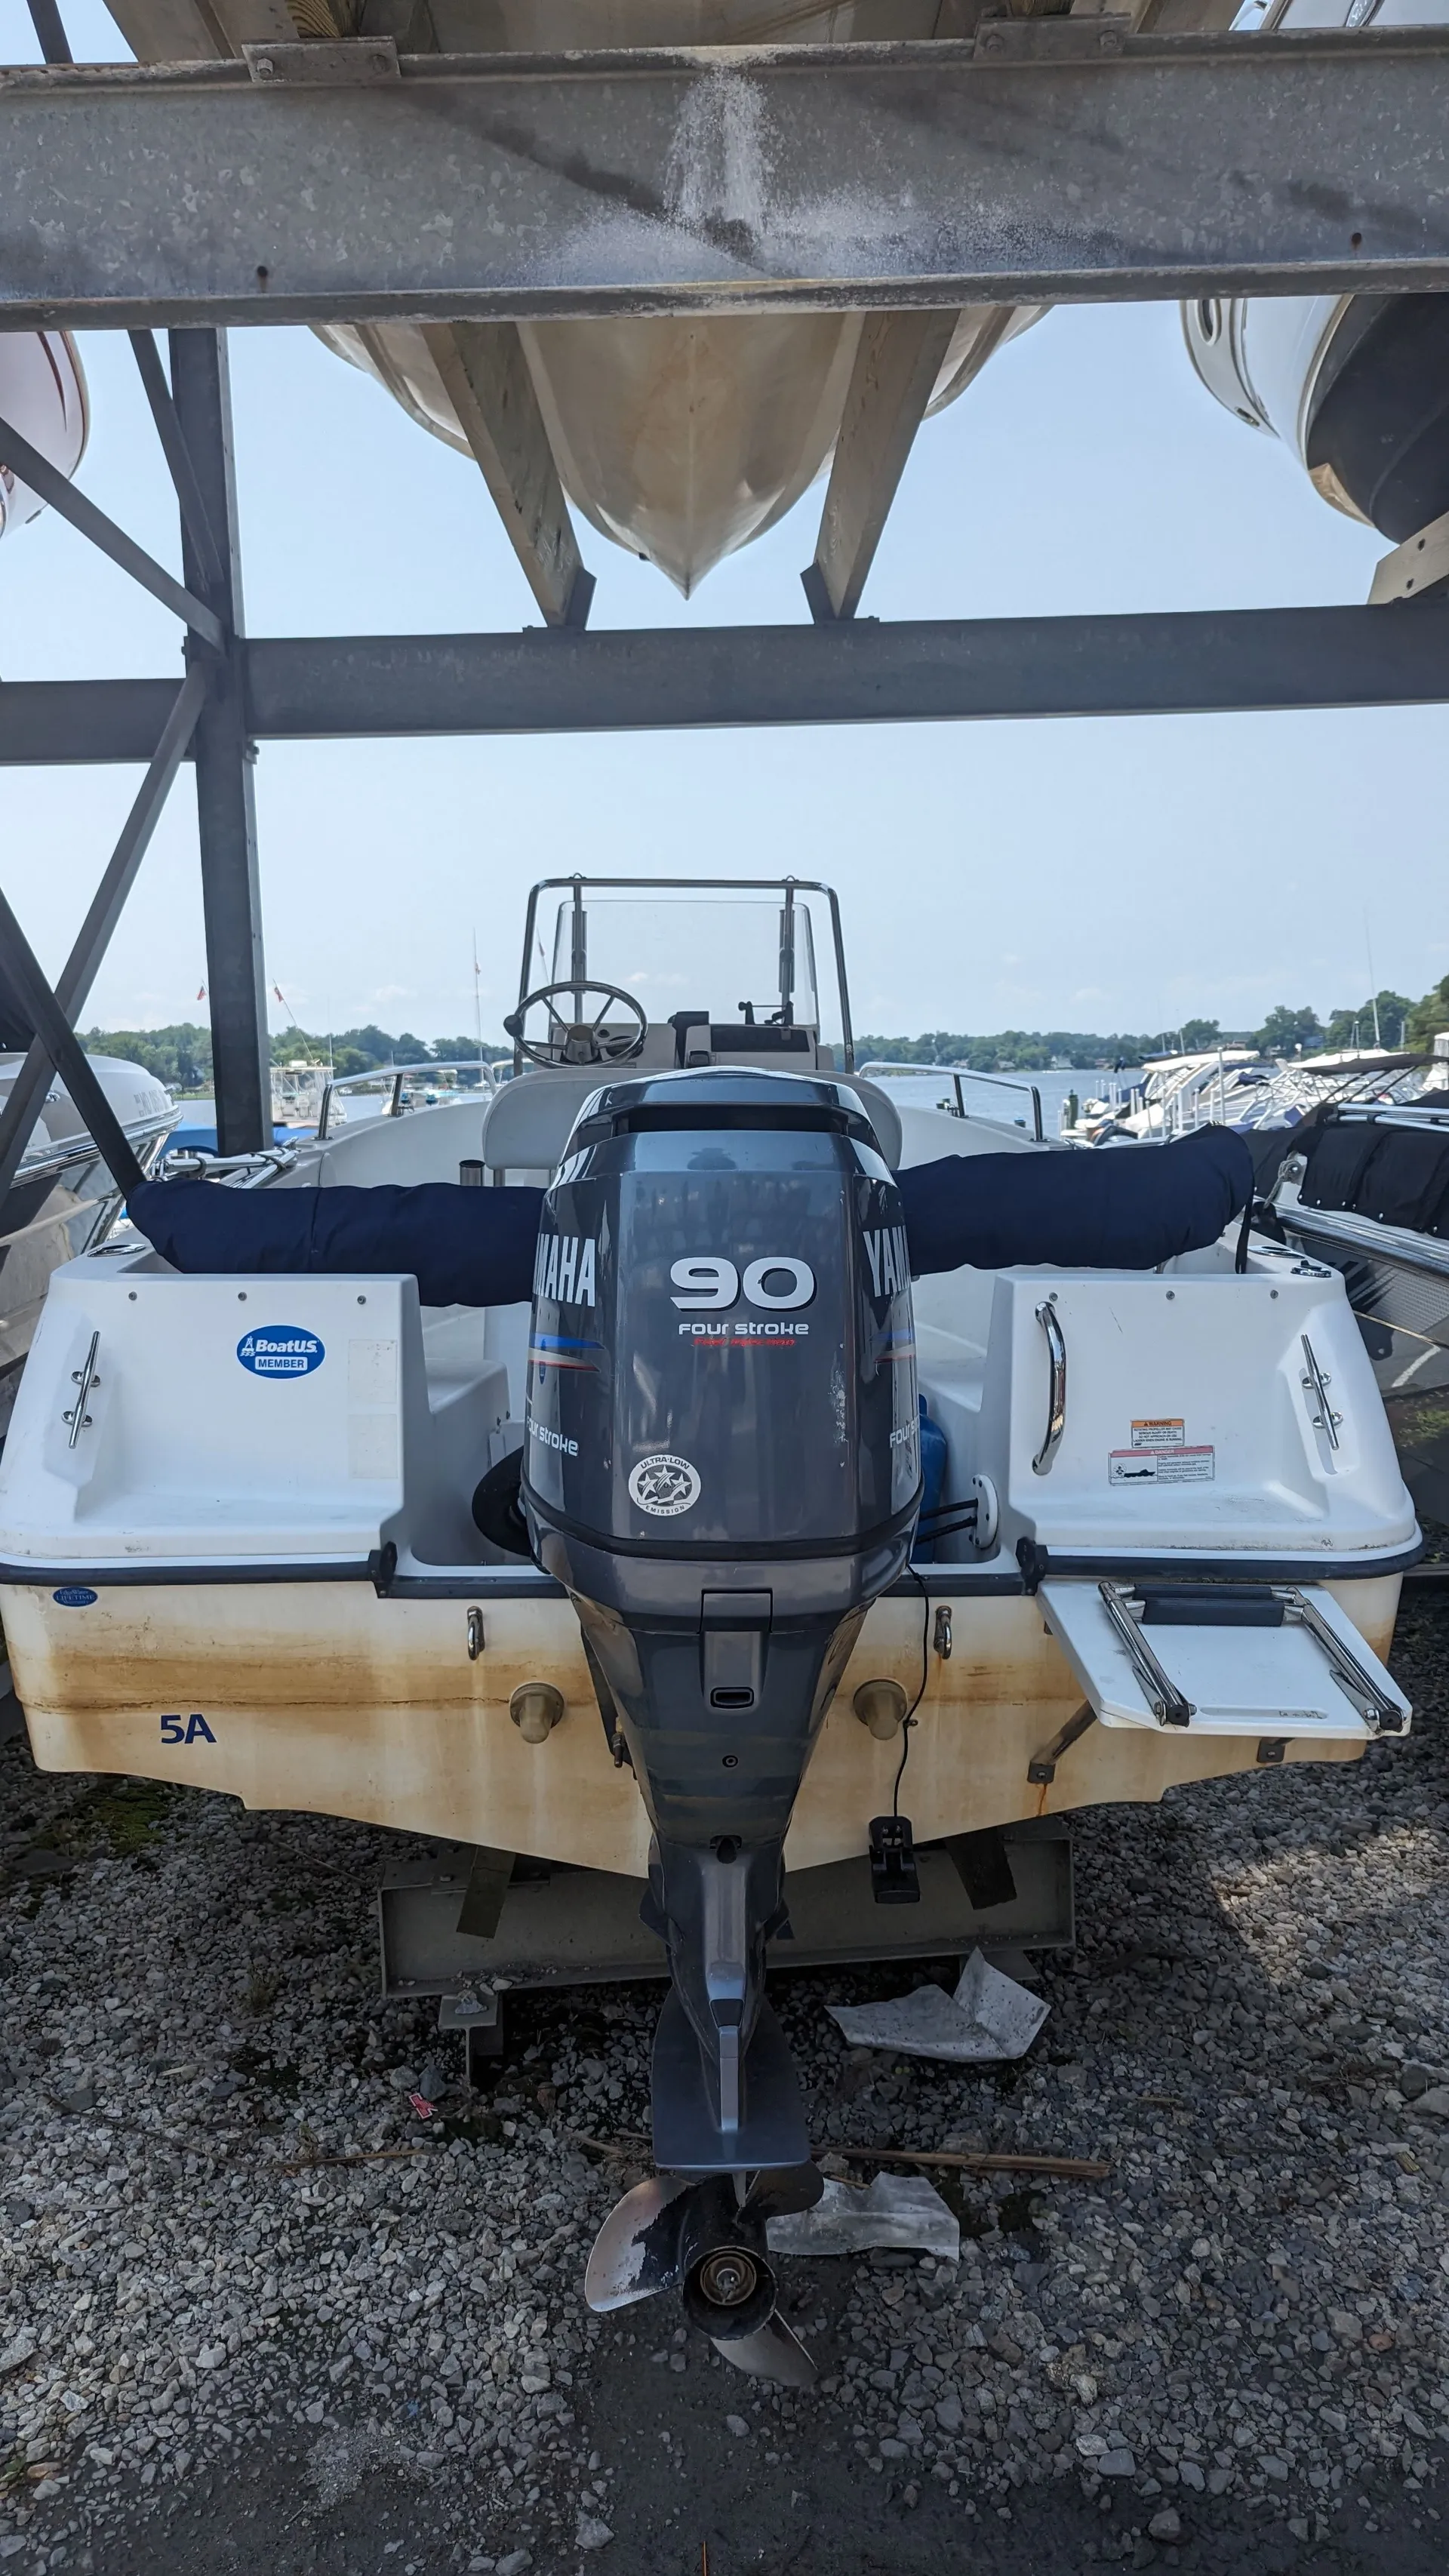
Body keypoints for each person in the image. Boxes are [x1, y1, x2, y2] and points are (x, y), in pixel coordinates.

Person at [126, 1125, 1254, 1302]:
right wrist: (1222, 1170)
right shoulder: (876, 1220)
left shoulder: (575, 1236)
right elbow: (1008, 1204)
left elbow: (407, 1229)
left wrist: (174, 1216)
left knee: (419, 1230)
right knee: (968, 1210)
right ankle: (1205, 1173)